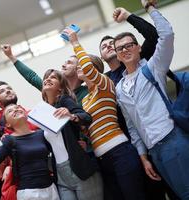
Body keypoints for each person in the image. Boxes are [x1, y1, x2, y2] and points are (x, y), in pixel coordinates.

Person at [100, 6, 179, 200]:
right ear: (104, 56)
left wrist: (129, 16)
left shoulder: (143, 63)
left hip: (166, 136)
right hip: (136, 148)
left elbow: (155, 35)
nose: (112, 47)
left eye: (114, 44)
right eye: (105, 46)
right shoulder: (107, 81)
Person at [64, 29, 149, 200]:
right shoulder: (86, 99)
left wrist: (75, 42)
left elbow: (87, 66)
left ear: (94, 70)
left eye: (83, 65)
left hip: (120, 151)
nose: (80, 67)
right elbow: (90, 128)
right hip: (102, 158)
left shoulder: (105, 84)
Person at [41, 69, 103, 200]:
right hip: (60, 174)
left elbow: (86, 117)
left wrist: (71, 115)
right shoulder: (43, 112)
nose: (47, 79)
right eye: (46, 78)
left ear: (61, 87)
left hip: (79, 168)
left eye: (53, 78)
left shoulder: (64, 100)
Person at [0, 104, 59, 200]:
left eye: (17, 107)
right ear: (8, 124)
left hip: (51, 188)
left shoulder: (41, 134)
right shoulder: (9, 140)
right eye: (10, 111)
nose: (16, 109)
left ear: (26, 115)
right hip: (29, 193)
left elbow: (57, 151)